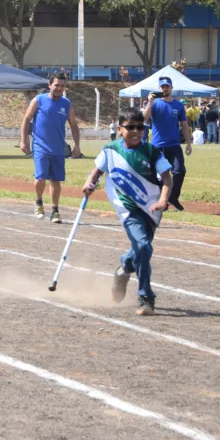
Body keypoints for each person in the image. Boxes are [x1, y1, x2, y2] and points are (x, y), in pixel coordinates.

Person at [82, 109, 173, 316]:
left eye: (140, 127)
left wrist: (162, 200)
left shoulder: (151, 151)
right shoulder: (110, 150)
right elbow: (97, 171)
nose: (135, 131)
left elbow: (167, 178)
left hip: (151, 210)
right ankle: (145, 297)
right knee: (143, 246)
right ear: (119, 128)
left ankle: (124, 269)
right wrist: (89, 183)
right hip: (128, 209)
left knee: (142, 250)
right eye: (130, 127)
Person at [19, 73, 81, 223]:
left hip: (58, 148)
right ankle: (39, 203)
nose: (59, 88)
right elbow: (26, 119)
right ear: (49, 85)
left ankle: (55, 210)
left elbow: (73, 124)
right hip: (40, 145)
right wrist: (24, 140)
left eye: (62, 85)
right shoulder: (39, 100)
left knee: (55, 180)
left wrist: (77, 145)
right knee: (40, 177)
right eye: (56, 85)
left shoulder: (66, 104)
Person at [142, 76, 192, 211]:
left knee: (179, 171)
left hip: (174, 145)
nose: (165, 88)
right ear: (159, 88)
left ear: (171, 88)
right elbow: (144, 119)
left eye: (167, 86)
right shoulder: (155, 103)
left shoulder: (178, 105)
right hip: (158, 145)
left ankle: (173, 197)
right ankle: (161, 201)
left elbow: (184, 125)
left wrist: (188, 142)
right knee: (160, 175)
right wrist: (150, 103)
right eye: (163, 86)